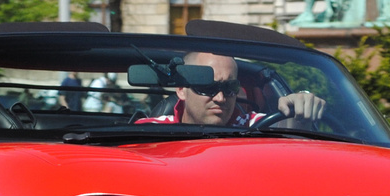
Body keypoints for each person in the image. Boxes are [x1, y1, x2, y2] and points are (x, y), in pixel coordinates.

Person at [136, 52, 325, 127]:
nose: (220, 98)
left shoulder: (254, 126)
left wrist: (301, 105)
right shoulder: (150, 130)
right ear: (180, 90)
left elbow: (288, 131)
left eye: (230, 88)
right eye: (207, 87)